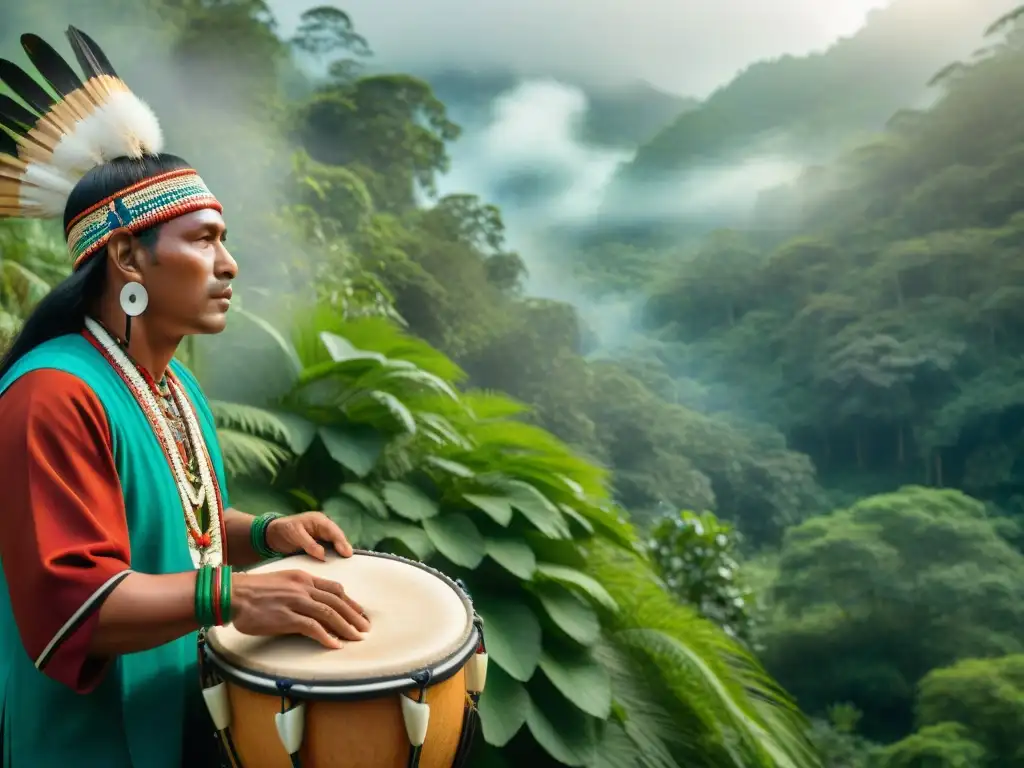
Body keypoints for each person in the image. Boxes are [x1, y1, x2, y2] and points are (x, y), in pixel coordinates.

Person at [0, 26, 371, 767]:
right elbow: (76, 602)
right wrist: (232, 597)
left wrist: (265, 534)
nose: (228, 265)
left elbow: (177, 529)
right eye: (202, 240)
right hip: (85, 744)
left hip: (177, 718)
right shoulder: (49, 395)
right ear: (127, 254)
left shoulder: (173, 387)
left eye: (224, 239)